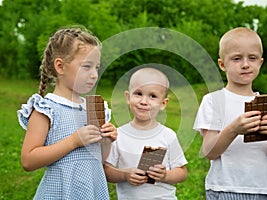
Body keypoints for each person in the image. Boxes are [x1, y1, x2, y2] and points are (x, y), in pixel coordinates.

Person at [17, 26, 117, 200]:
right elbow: (28, 160)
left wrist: (107, 141)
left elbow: (98, 159)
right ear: (60, 66)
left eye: (96, 68)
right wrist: (74, 141)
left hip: (92, 191)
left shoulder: (94, 108)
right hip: (61, 193)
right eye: (87, 66)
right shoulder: (46, 109)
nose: (94, 75)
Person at [193, 27, 267, 199]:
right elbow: (209, 152)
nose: (245, 64)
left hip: (264, 191)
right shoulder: (214, 101)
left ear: (260, 62)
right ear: (222, 64)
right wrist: (233, 129)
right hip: (224, 189)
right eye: (237, 58)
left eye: (252, 58)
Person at [104, 67, 188, 200]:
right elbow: (107, 172)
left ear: (163, 103)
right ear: (128, 97)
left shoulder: (168, 135)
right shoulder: (118, 135)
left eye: (152, 96)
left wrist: (165, 175)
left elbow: (182, 173)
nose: (143, 101)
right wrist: (125, 175)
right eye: (138, 93)